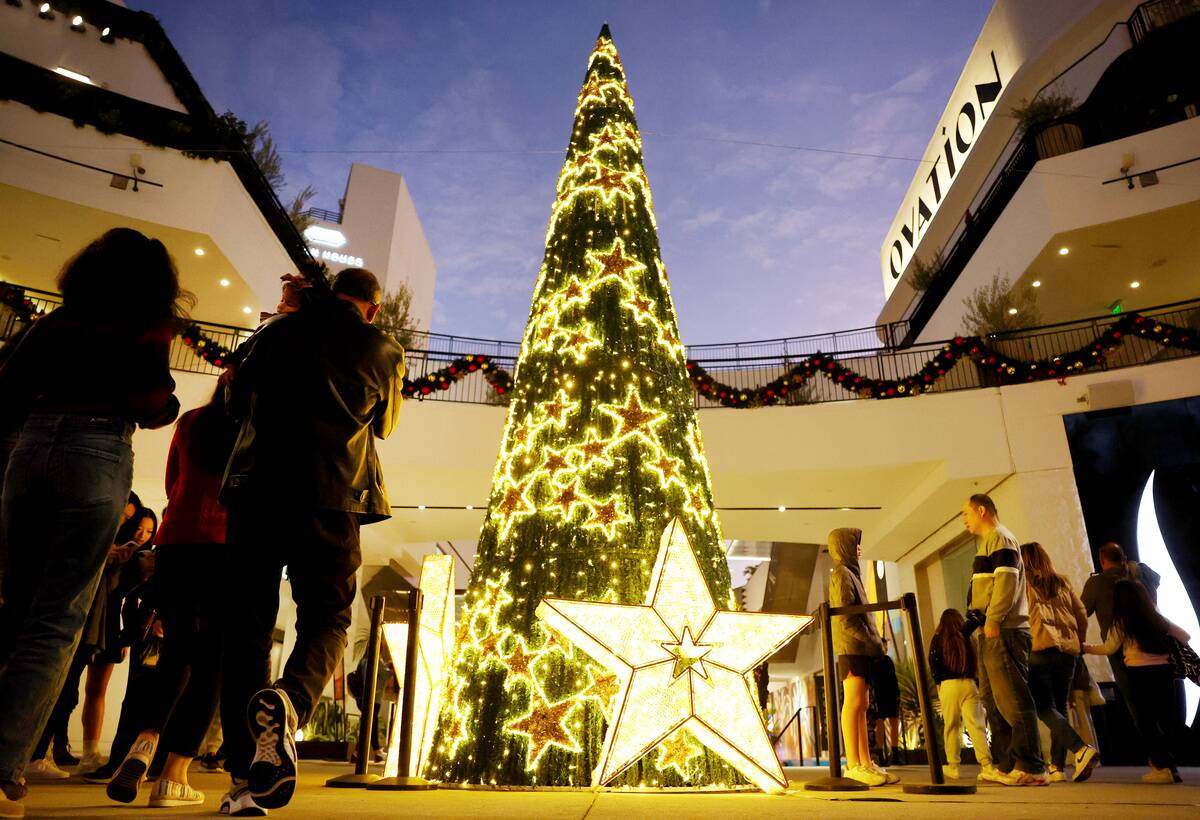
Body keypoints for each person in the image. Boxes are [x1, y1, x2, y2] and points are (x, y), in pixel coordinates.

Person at [0, 228, 185, 817]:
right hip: (98, 451)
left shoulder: (53, 322)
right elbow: (153, 404)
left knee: (15, 606)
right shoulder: (145, 326)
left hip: (29, 449)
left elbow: (7, 389)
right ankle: (3, 762)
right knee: (58, 618)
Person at [218, 267, 405, 813]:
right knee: (328, 618)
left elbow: (234, 404)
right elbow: (385, 425)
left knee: (247, 627)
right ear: (371, 308)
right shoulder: (382, 348)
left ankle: (244, 776)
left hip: (257, 493)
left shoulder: (276, 332)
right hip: (332, 495)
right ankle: (290, 700)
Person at [105, 384, 239, 808]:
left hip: (177, 543)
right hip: (227, 545)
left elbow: (172, 482)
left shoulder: (191, 422)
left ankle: (144, 743)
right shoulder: (256, 424)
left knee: (175, 653)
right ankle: (174, 775)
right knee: (211, 663)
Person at [960, 493, 1046, 786]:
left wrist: (994, 619)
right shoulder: (990, 542)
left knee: (1013, 697)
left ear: (981, 511)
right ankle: (1008, 764)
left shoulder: (1000, 538)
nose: (964, 520)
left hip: (1004, 628)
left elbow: (1006, 582)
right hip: (991, 629)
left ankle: (1032, 766)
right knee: (994, 699)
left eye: (966, 513)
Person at [1084, 580, 1192, 783]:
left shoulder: (1122, 621)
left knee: (1146, 722)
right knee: (1167, 720)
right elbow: (1186, 636)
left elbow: (1109, 648)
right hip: (1164, 672)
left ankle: (1162, 768)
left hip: (1138, 674)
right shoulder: (1157, 618)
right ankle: (1171, 766)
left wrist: (1085, 647)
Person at [1019, 542, 1100, 782]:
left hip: (1040, 648)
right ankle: (1056, 767)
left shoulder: (1024, 584)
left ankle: (1080, 749)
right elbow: (1081, 614)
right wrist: (1079, 642)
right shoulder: (1062, 581)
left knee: (1044, 707)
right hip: (1068, 653)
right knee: (1060, 706)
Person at [828, 527, 898, 786]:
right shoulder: (842, 574)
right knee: (854, 703)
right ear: (845, 546)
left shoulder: (850, 573)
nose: (859, 548)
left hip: (860, 648)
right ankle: (854, 763)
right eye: (855, 543)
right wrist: (874, 642)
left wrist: (875, 642)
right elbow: (846, 617)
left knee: (862, 705)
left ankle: (864, 762)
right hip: (852, 648)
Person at [1080, 542, 1163, 731]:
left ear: (1102, 561)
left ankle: (1156, 752)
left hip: (1119, 651)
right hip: (1152, 642)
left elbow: (1081, 612)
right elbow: (1157, 583)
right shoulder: (1140, 573)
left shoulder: (1097, 583)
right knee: (1158, 698)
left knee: (1134, 699)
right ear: (1123, 557)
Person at [929, 609, 992, 779]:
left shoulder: (939, 639)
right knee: (976, 725)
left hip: (948, 685)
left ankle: (953, 766)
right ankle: (986, 765)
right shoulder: (967, 638)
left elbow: (933, 662)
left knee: (951, 727)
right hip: (969, 683)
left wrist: (938, 685)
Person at [872, 638, 902, 767]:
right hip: (880, 695)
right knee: (881, 724)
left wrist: (897, 694)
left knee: (892, 723)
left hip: (888, 694)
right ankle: (882, 754)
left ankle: (893, 754)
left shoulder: (887, 660)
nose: (886, 648)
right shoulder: (875, 662)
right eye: (884, 645)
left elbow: (893, 679)